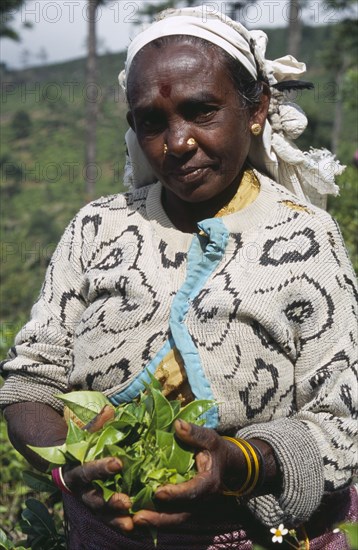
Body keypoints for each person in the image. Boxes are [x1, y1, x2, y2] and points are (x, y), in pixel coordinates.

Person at [1, 6, 357, 550]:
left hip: (264, 536)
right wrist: (72, 465)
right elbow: (30, 382)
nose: (178, 141)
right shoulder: (98, 228)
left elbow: (341, 420)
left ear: (256, 108)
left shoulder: (307, 239)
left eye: (201, 111)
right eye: (152, 121)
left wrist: (236, 463)